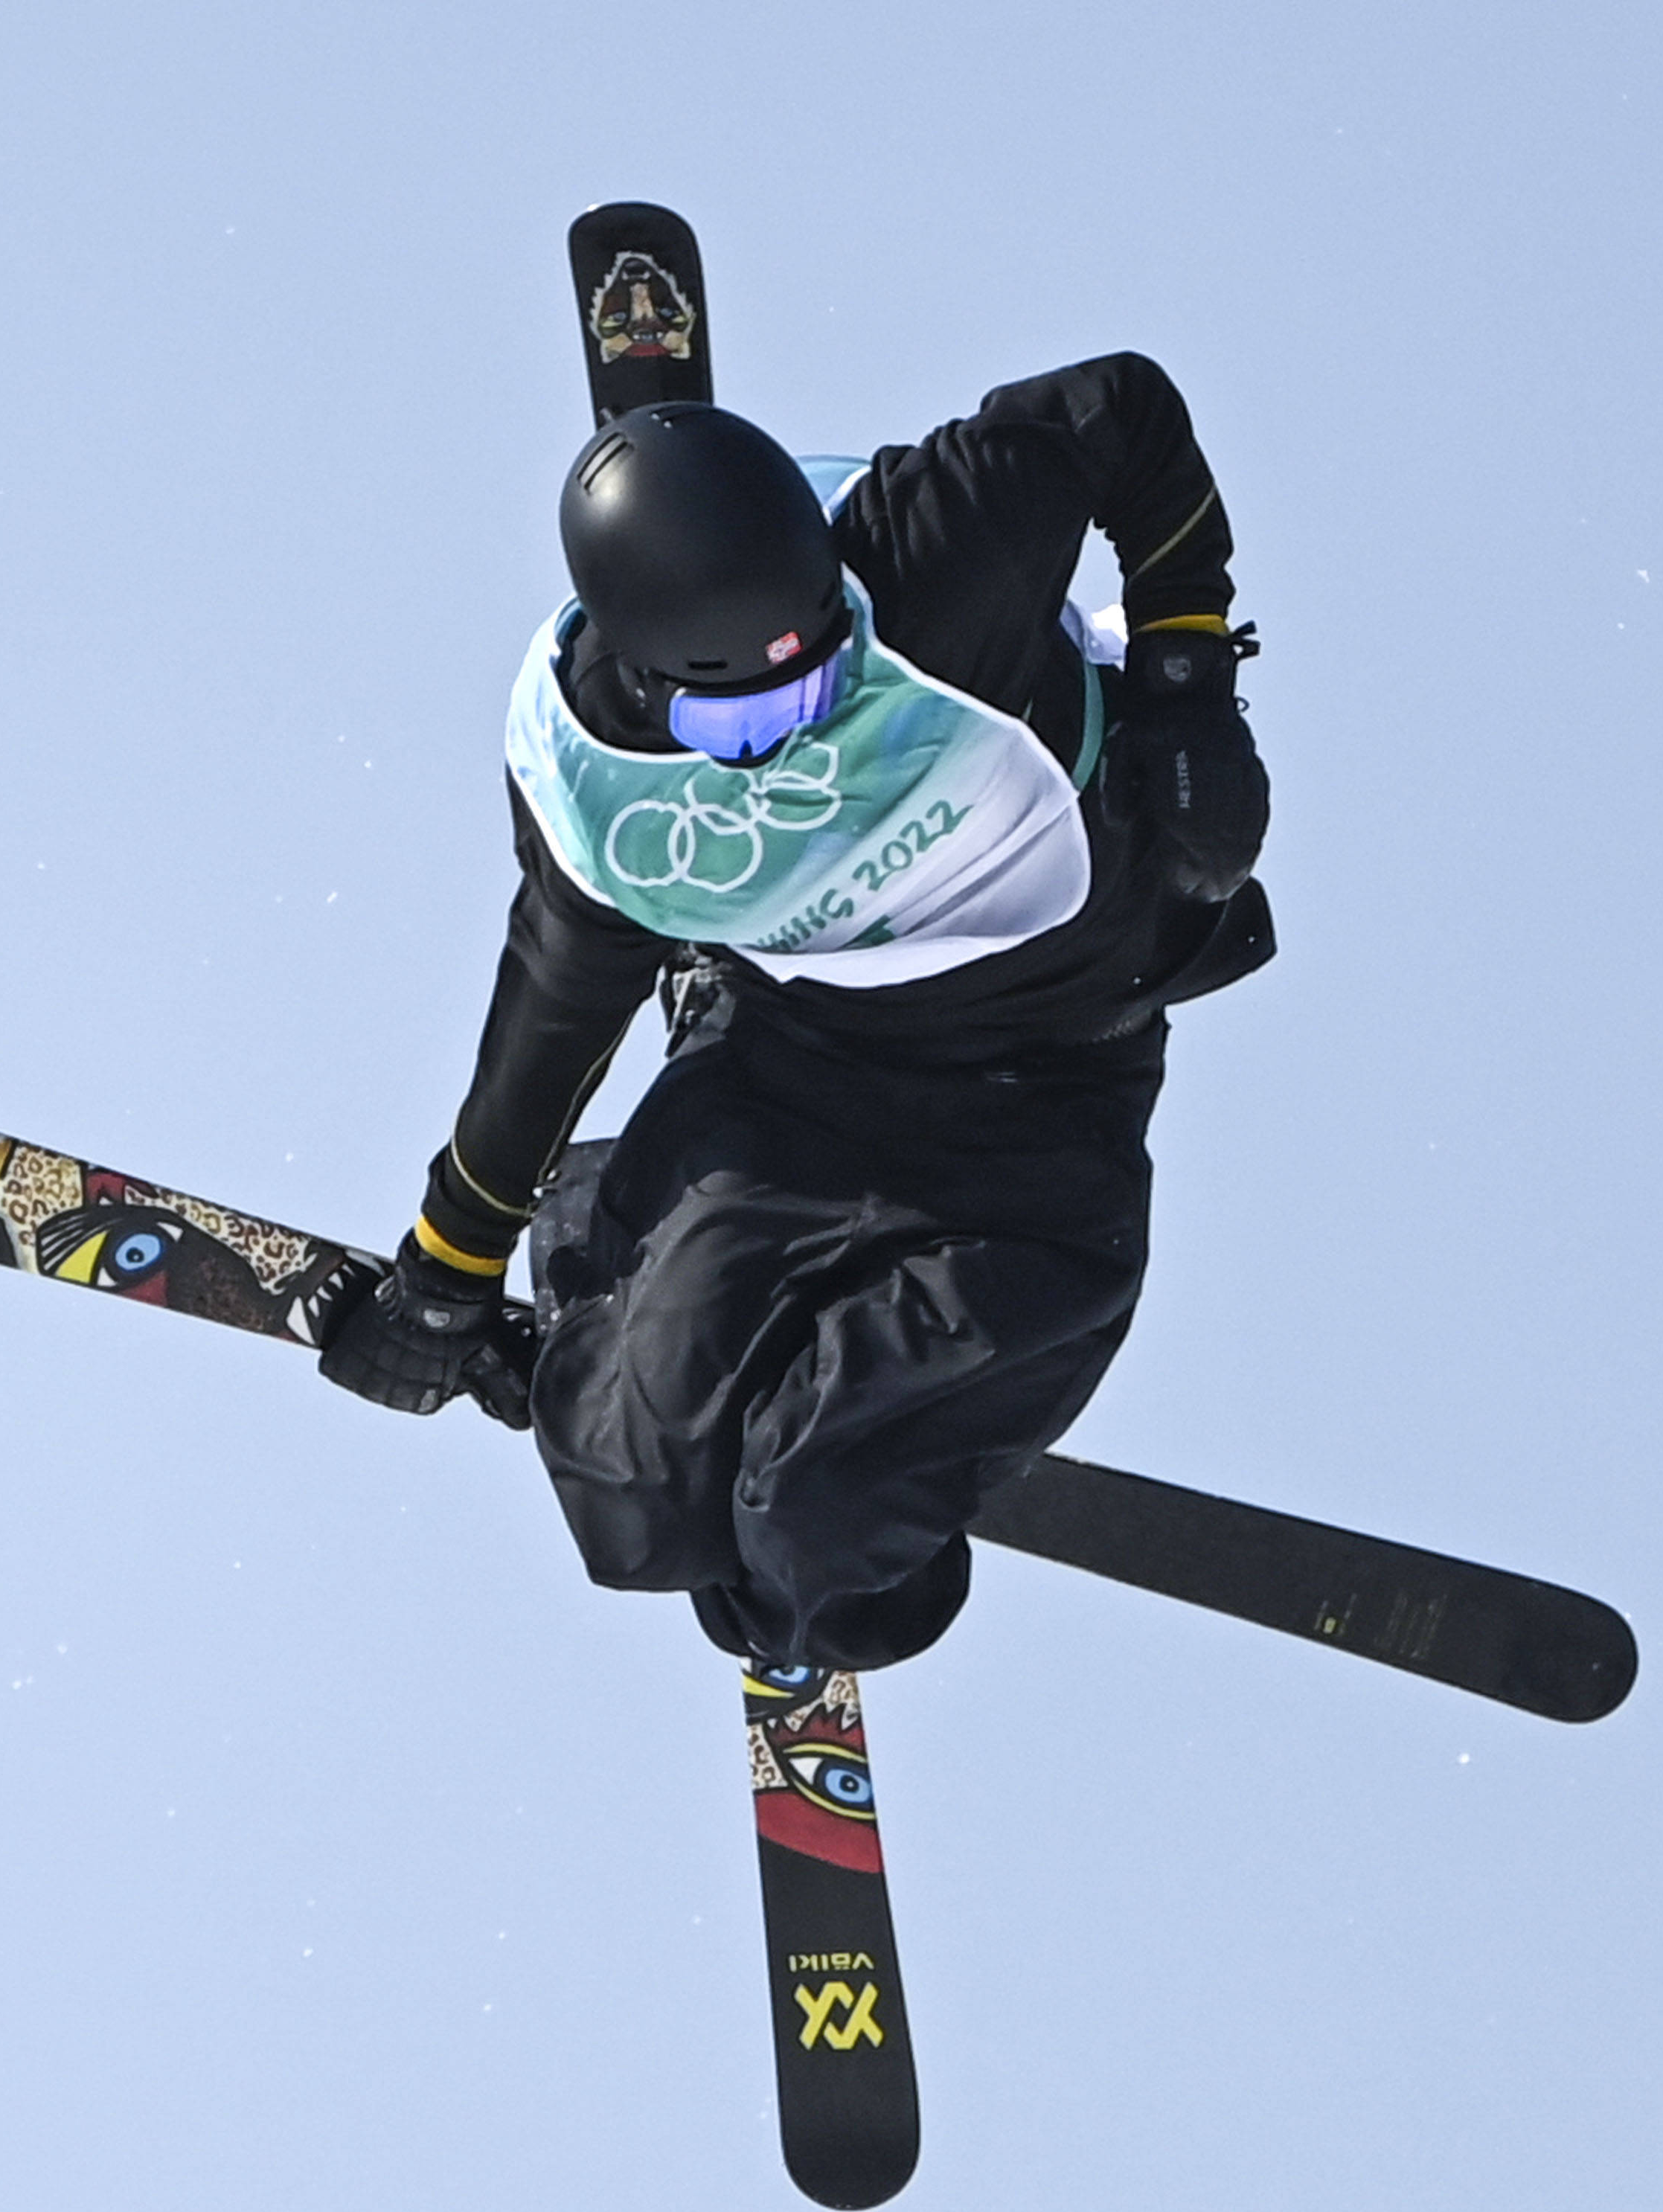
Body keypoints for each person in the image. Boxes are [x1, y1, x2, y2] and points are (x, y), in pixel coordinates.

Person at [319, 356, 1273, 1673]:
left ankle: (836, 1517)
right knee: (631, 1517)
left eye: (816, 686)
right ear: (649, 688)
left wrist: (1187, 675)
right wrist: (449, 1268)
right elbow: (548, 1025)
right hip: (797, 1079)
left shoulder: (941, 545)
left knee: (815, 1538)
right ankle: (630, 1271)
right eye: (743, 718)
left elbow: (1122, 410)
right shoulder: (606, 804)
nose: (789, 741)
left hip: (1041, 1101)